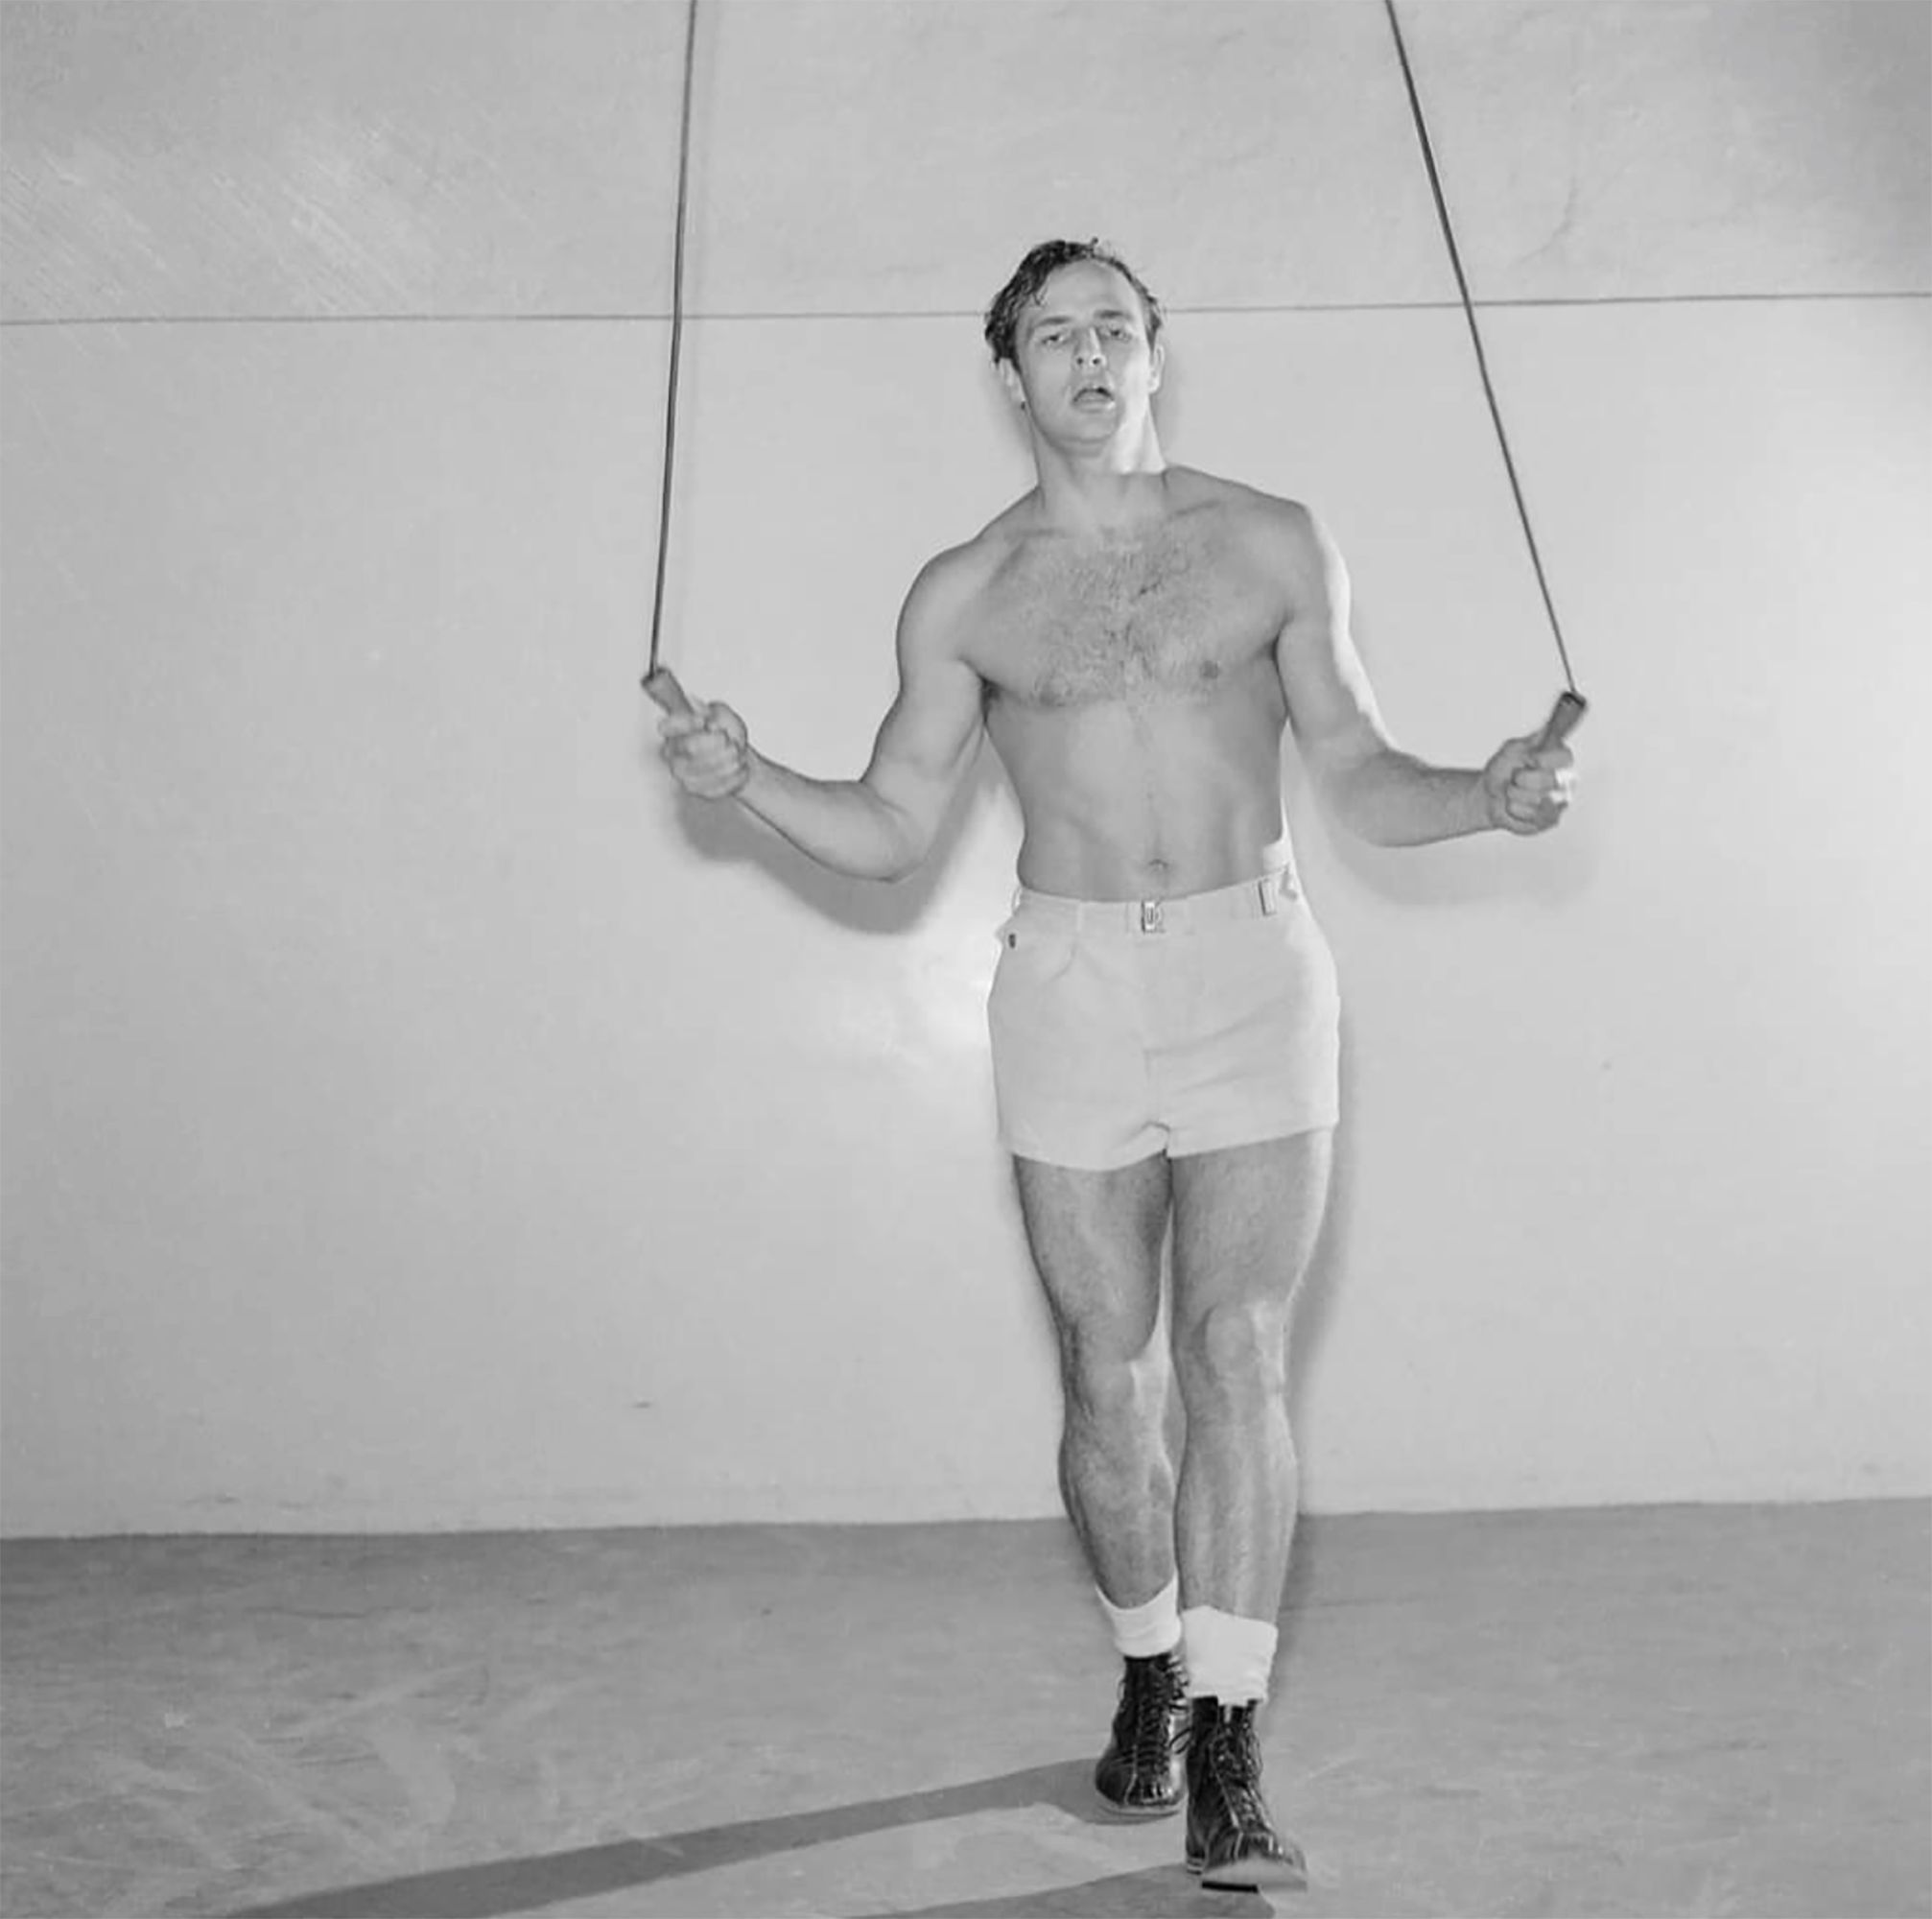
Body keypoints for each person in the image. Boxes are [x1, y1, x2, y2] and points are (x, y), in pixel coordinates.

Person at [654, 237, 1576, 1893]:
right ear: (1007, 374)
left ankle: (1226, 1739)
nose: (1087, 356)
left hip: (1252, 967)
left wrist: (1481, 795)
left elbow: (1358, 770)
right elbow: (889, 825)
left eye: (1112, 327)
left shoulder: (1270, 542)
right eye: (1052, 335)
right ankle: (1149, 1659)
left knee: (1234, 1347)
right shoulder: (966, 592)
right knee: (1105, 1370)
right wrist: (746, 779)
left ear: (1155, 352)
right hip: (1069, 984)